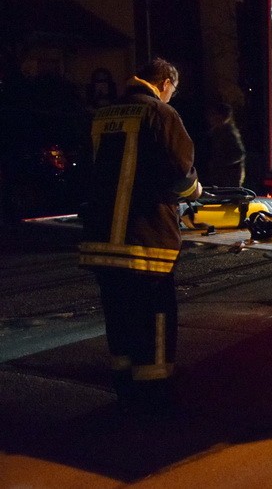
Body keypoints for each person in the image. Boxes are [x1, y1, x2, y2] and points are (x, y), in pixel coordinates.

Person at [78, 58, 202, 414]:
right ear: (164, 82)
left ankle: (125, 391)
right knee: (155, 322)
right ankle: (154, 399)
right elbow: (182, 174)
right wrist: (195, 192)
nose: (170, 99)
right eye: (171, 92)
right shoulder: (161, 115)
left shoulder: (101, 116)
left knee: (118, 319)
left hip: (101, 242)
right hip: (146, 243)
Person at [204, 100, 246, 187]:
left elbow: (239, 154)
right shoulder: (215, 132)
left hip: (230, 177)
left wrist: (222, 163)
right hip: (220, 177)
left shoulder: (229, 132)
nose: (211, 118)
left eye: (214, 115)